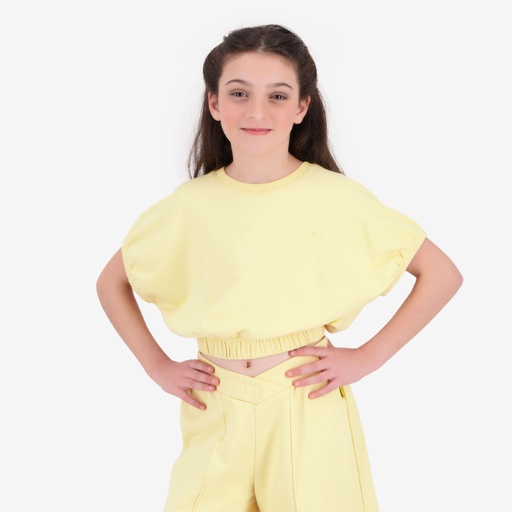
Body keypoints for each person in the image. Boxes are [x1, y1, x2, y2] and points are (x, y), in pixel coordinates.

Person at [96, 24, 463, 512]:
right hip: (215, 406)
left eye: (277, 95)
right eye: (239, 93)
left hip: (303, 401)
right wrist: (156, 366)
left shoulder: (334, 196)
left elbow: (441, 273)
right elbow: (112, 281)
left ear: (301, 107)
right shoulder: (187, 206)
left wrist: (367, 357)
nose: (257, 111)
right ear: (214, 103)